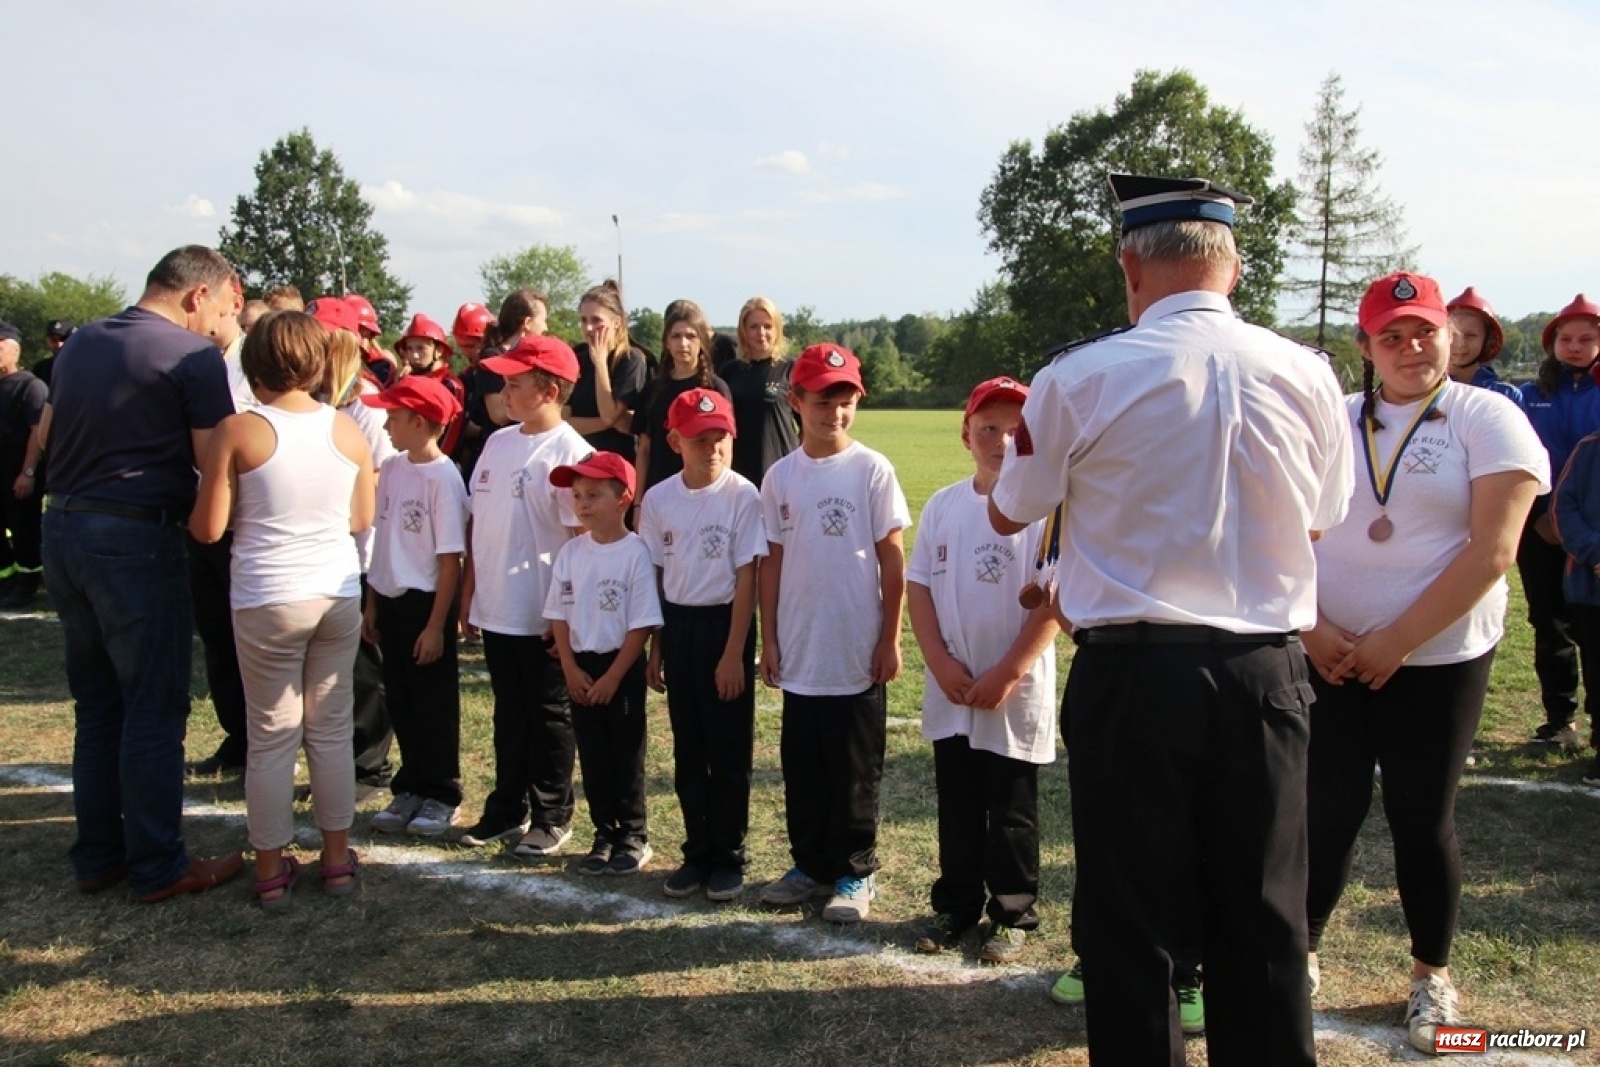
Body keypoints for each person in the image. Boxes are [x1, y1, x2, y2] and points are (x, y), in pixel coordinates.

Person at [989, 175, 1352, 1066]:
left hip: (1135, 675)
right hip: (1266, 670)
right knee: (1265, 919)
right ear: (1230, 265)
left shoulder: (1079, 375)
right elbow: (1322, 515)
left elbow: (1009, 509)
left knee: (1133, 923)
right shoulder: (1308, 372)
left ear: (1131, 267)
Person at [1302, 272, 1545, 1053]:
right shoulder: (1334, 420)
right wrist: (1312, 629)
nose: (1411, 348)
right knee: (1322, 809)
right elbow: (1277, 531)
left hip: (1438, 657)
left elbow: (1493, 551)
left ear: (1451, 334)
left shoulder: (1489, 417)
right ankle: (1297, 954)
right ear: (1366, 348)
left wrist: (1395, 640)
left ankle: (1430, 975)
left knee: (1421, 816)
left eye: (1425, 332)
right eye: (1392, 336)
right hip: (1328, 651)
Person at [43, 244, 244, 903]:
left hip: (65, 527)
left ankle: (98, 855)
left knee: (98, 703)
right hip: (134, 535)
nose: (224, 322)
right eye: (222, 306)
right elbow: (215, 463)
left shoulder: (82, 341)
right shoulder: (190, 355)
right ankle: (158, 862)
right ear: (196, 295)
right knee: (153, 704)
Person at [190, 309, 377, 910]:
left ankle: (270, 870)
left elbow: (209, 528)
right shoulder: (346, 429)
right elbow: (360, 520)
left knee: (270, 736)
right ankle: (336, 859)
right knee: (329, 728)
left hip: (268, 594)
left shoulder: (238, 430)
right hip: (336, 589)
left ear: (253, 364)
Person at [907, 376, 1059, 965]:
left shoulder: (1045, 509)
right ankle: (957, 903)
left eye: (1015, 429)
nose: (1001, 439)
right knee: (959, 801)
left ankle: (1013, 912)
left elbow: (1052, 599)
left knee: (1011, 808)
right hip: (954, 686)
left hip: (1010, 692)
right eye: (988, 427)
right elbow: (919, 587)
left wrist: (1009, 672)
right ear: (965, 433)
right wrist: (939, 661)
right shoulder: (946, 504)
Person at [757, 343, 910, 923]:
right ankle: (810, 865)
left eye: (846, 401)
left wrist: (889, 637)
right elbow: (772, 561)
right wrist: (769, 637)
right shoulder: (779, 478)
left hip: (855, 643)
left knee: (852, 766)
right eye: (823, 400)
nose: (835, 412)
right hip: (801, 644)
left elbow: (892, 558)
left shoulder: (872, 469)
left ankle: (852, 871)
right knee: (804, 764)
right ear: (796, 401)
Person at [456, 334, 590, 855]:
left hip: (542, 613)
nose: (503, 392)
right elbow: (482, 527)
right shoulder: (497, 441)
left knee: (549, 713)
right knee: (509, 710)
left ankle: (552, 813)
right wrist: (471, 593)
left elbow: (583, 545)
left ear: (549, 389)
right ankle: (507, 806)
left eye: (514, 383)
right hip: (496, 607)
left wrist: (569, 619)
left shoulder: (570, 454)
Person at [639, 388, 766, 901]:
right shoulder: (658, 498)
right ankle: (697, 851)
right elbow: (653, 574)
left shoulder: (743, 496)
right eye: (698, 439)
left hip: (725, 625)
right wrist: (656, 648)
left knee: (728, 748)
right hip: (678, 626)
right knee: (690, 747)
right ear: (674, 440)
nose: (711, 448)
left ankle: (729, 855)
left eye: (720, 438)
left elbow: (746, 579)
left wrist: (734, 652)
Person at [359, 376, 470, 836]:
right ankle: (411, 786)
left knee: (432, 702)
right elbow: (382, 538)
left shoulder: (444, 478)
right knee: (400, 697)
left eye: (394, 415)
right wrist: (372, 604)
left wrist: (436, 625)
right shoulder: (394, 468)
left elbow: (449, 561)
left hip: (426, 602)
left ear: (421, 423)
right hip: (389, 597)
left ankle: (442, 792)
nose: (385, 423)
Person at [545, 451, 663, 875]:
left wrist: (614, 676)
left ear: (623, 499)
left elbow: (642, 624)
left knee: (625, 753)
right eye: (577, 495)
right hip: (581, 667)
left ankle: (633, 834)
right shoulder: (572, 553)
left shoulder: (636, 554)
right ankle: (604, 831)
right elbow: (558, 613)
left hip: (620, 669)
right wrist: (572, 670)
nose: (582, 503)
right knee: (593, 754)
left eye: (593, 494)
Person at [316, 300, 398, 799]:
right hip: (330, 548)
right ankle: (344, 759)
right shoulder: (327, 397)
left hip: (363, 549)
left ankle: (370, 767)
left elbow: (377, 475)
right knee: (337, 667)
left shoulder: (365, 399)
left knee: (366, 667)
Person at [1519, 295, 1600, 746]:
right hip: (1541, 525)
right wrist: (1543, 517)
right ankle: (1560, 717)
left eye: (1586, 339)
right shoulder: (1532, 396)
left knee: (1593, 625)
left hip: (1592, 523)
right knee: (1548, 622)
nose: (1575, 347)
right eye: (1565, 339)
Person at [186, 274, 253, 777]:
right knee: (215, 631)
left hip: (244, 519)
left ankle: (264, 735)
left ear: (234, 305)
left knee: (247, 634)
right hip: (199, 515)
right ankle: (237, 732)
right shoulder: (190, 362)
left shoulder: (255, 366)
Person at [632, 299, 731, 496]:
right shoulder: (653, 389)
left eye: (690, 336)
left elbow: (725, 448)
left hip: (704, 491)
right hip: (659, 492)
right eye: (676, 336)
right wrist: (638, 502)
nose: (683, 343)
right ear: (667, 342)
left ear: (702, 342)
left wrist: (720, 495)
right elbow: (643, 450)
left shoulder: (715, 388)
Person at [459, 292, 545, 481]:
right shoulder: (492, 357)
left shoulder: (535, 360)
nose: (545, 327)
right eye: (543, 320)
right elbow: (498, 413)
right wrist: (541, 404)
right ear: (527, 322)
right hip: (501, 455)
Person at [718, 296, 798, 487]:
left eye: (767, 326)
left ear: (777, 329)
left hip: (783, 472)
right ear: (743, 331)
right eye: (753, 327)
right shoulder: (730, 371)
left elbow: (808, 426)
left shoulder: (791, 369)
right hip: (740, 474)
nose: (761, 333)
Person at [566, 280, 648, 463]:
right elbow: (564, 422)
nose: (588, 328)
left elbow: (609, 414)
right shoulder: (577, 359)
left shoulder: (630, 359)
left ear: (616, 322)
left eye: (596, 320)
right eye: (584, 320)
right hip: (579, 459)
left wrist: (600, 363)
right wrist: (607, 423)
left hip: (615, 461)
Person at [0, 321, 47, 609]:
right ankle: (6, 579)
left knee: (24, 530)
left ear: (13, 350)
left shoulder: (31, 387)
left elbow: (37, 432)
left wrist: (28, 472)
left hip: (18, 475)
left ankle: (28, 583)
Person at [394, 313, 467, 458]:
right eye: (410, 349)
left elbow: (450, 436)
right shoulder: (405, 383)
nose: (414, 355)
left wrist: (434, 465)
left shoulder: (450, 385)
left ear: (438, 351)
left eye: (421, 348)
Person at [1445, 287, 1521, 406]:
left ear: (1488, 340)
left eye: (1470, 335)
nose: (1460, 344)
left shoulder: (1505, 395)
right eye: (1453, 335)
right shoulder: (1425, 392)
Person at [346, 292, 397, 386]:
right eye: (359, 333)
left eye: (367, 336)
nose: (363, 343)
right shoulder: (327, 361)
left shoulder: (381, 365)